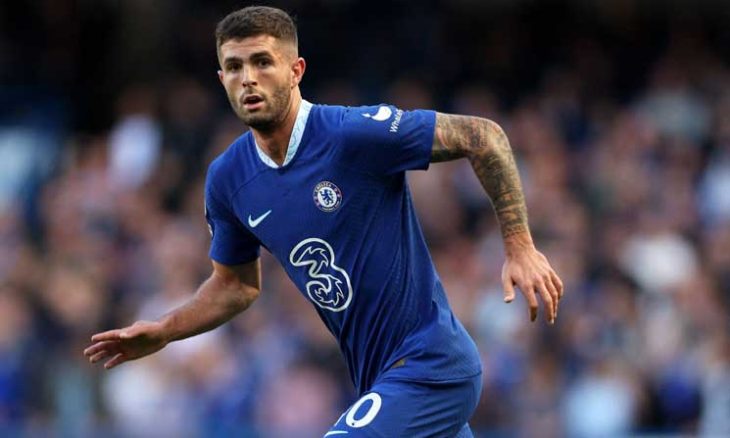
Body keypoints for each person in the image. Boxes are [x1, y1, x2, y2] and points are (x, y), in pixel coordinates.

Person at [84, 6, 564, 437]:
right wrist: (166, 329)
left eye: (262, 62)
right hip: (379, 378)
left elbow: (483, 136)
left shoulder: (351, 135)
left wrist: (520, 246)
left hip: (431, 363)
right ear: (221, 78)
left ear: (296, 70)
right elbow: (235, 287)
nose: (248, 79)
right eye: (234, 66)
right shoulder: (228, 179)